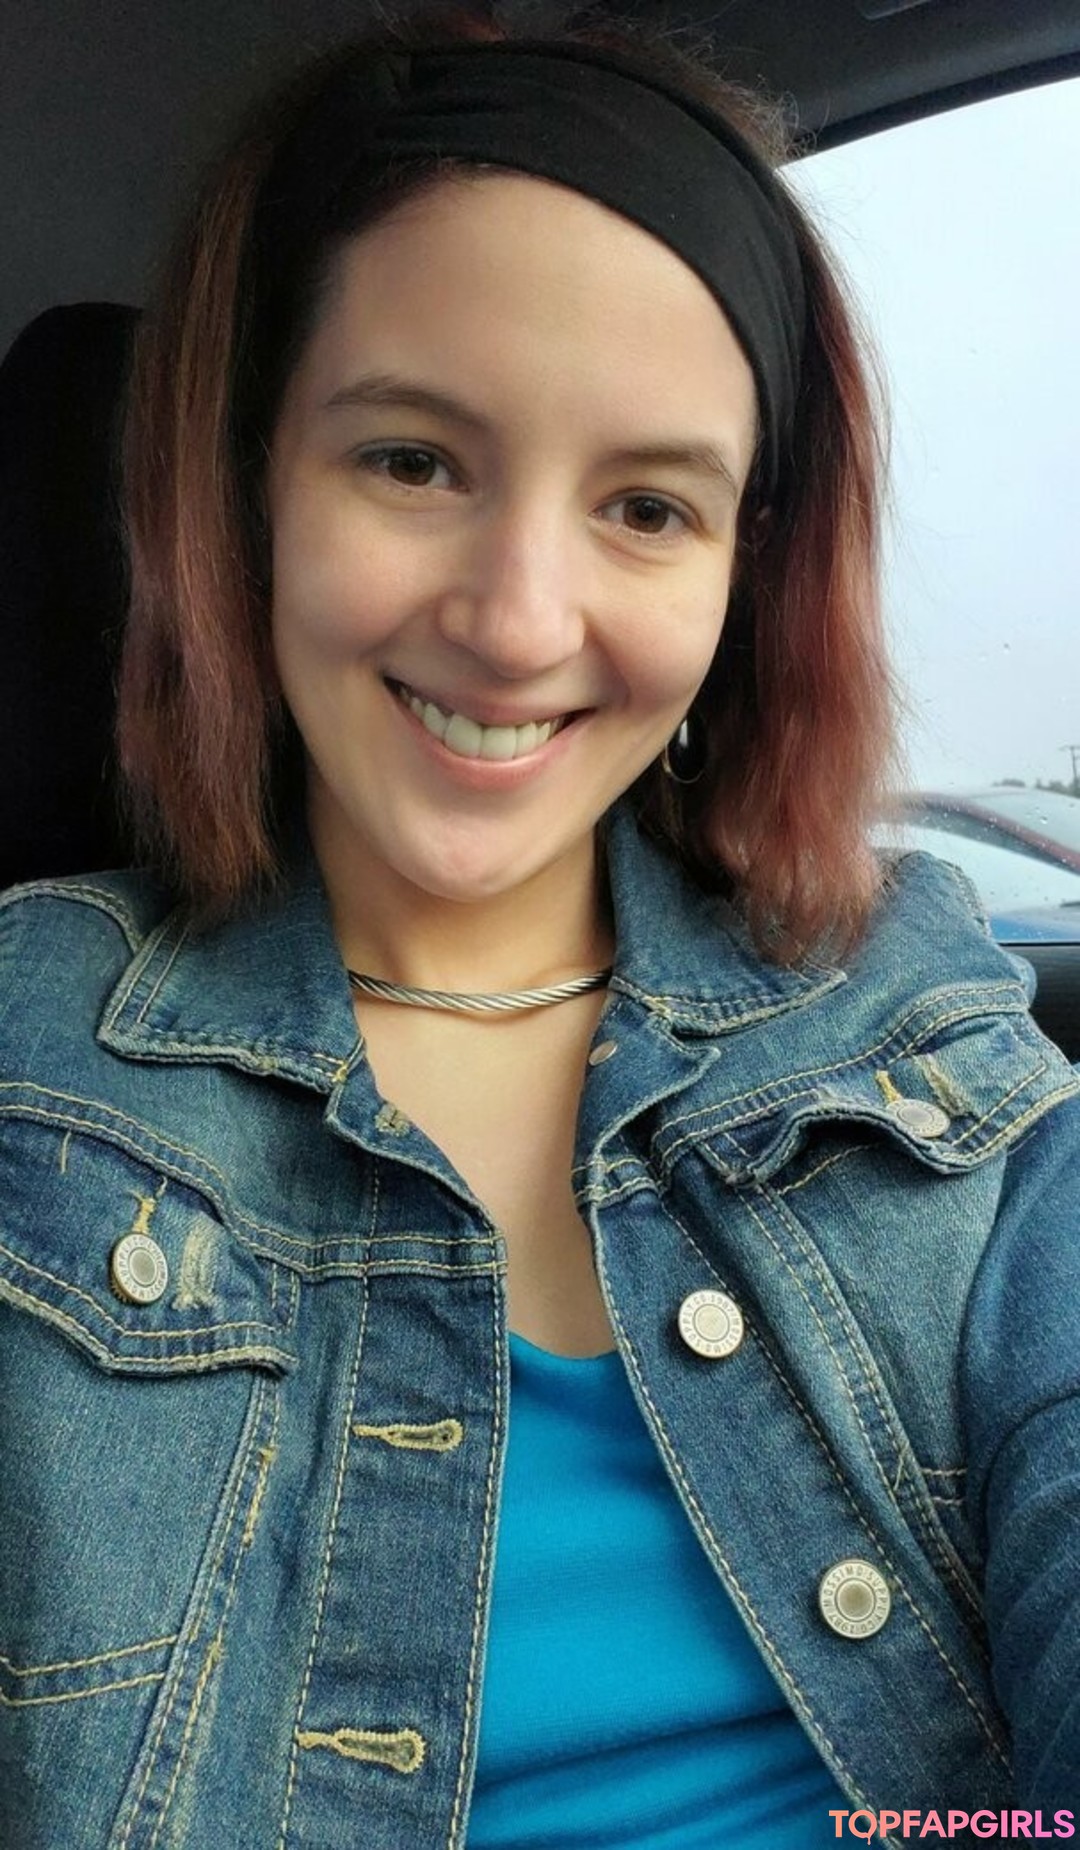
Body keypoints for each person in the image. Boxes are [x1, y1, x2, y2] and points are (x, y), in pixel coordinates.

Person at [1, 8, 1078, 1846]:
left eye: (647, 507)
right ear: (247, 481)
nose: (518, 621)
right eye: (412, 462)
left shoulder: (896, 985)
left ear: (743, 574)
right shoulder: (37, 1046)